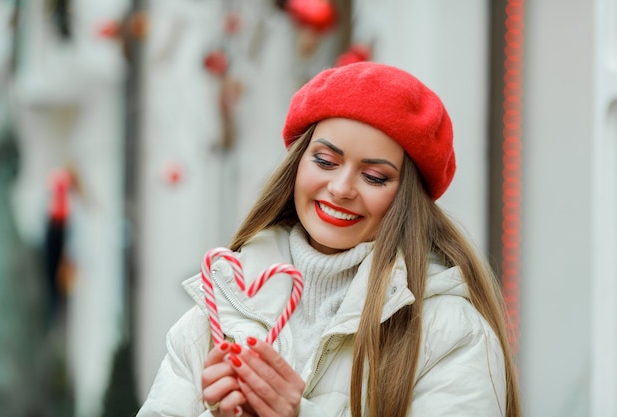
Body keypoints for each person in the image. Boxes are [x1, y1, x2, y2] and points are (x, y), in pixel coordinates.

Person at [137, 61, 522, 417]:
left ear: (407, 199)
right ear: (298, 164)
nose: (340, 188)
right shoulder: (218, 310)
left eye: (374, 177)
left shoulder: (451, 331)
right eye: (325, 161)